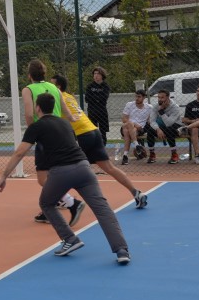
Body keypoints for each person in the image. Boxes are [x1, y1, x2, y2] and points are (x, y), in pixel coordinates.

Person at [0, 92, 130, 265]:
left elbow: (20, 152)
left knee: (46, 203)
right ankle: (121, 250)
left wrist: (3, 176)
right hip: (84, 168)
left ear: (37, 108)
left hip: (61, 172)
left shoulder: (36, 127)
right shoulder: (66, 123)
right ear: (54, 107)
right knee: (102, 209)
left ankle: (70, 239)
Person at [53, 74, 148, 209]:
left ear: (58, 87)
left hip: (82, 136)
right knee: (109, 168)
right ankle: (136, 193)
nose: (48, 87)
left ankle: (63, 200)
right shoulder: (69, 97)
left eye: (51, 84)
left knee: (62, 168)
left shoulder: (57, 98)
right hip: (93, 131)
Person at [21, 60, 77, 224]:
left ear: (29, 75)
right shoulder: (54, 88)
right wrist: (74, 120)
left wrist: (33, 132)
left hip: (45, 136)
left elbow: (30, 114)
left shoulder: (28, 90)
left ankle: (71, 202)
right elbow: (66, 111)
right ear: (44, 73)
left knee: (43, 178)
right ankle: (50, 207)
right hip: (61, 133)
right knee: (53, 174)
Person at [146, 90, 183, 164]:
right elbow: (152, 121)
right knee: (150, 130)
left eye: (162, 97)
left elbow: (169, 123)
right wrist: (158, 129)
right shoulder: (156, 106)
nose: (160, 99)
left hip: (175, 125)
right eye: (159, 97)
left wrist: (161, 112)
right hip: (162, 126)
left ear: (168, 97)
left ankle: (174, 155)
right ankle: (152, 154)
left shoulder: (175, 107)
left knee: (169, 130)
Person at [119, 90, 153, 165]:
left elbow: (150, 120)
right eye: (136, 96)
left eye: (139, 97)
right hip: (129, 126)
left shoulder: (149, 107)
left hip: (139, 129)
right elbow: (124, 119)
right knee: (129, 125)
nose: (136, 98)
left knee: (126, 131)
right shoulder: (129, 105)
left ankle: (125, 156)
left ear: (144, 97)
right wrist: (134, 124)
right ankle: (136, 145)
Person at [84, 66, 112, 144]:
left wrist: (94, 98)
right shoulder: (90, 86)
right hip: (92, 111)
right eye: (95, 74)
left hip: (102, 111)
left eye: (98, 74)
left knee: (103, 131)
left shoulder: (105, 86)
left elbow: (104, 98)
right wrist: (97, 98)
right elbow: (87, 99)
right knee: (92, 130)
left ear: (102, 75)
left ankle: (103, 145)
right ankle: (95, 145)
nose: (96, 75)